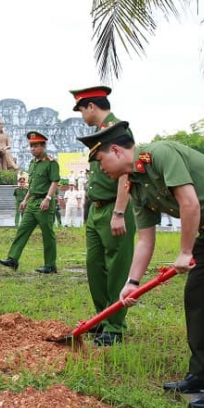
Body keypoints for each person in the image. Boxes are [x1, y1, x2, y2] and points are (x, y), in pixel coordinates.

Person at [78, 120, 204, 408]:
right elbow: (144, 239)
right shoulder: (136, 185)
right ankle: (202, 373)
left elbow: (189, 203)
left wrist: (184, 251)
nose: (100, 168)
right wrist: (131, 282)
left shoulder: (160, 154)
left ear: (116, 150)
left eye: (100, 159)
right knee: (196, 297)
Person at [71, 85, 136, 346]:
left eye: (81, 110)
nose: (82, 116)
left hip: (114, 208)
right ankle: (101, 319)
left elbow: (126, 173)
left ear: (91, 107)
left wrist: (119, 212)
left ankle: (115, 327)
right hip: (96, 211)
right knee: (95, 267)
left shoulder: (118, 130)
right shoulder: (99, 134)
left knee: (117, 269)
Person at [0, 131, 60, 273]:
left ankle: (50, 265)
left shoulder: (51, 163)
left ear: (43, 146)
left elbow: (55, 181)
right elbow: (32, 186)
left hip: (44, 203)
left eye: (36, 146)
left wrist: (48, 199)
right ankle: (13, 259)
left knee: (47, 234)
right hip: (32, 203)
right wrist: (25, 200)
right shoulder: (32, 163)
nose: (32, 149)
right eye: (31, 146)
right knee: (22, 230)